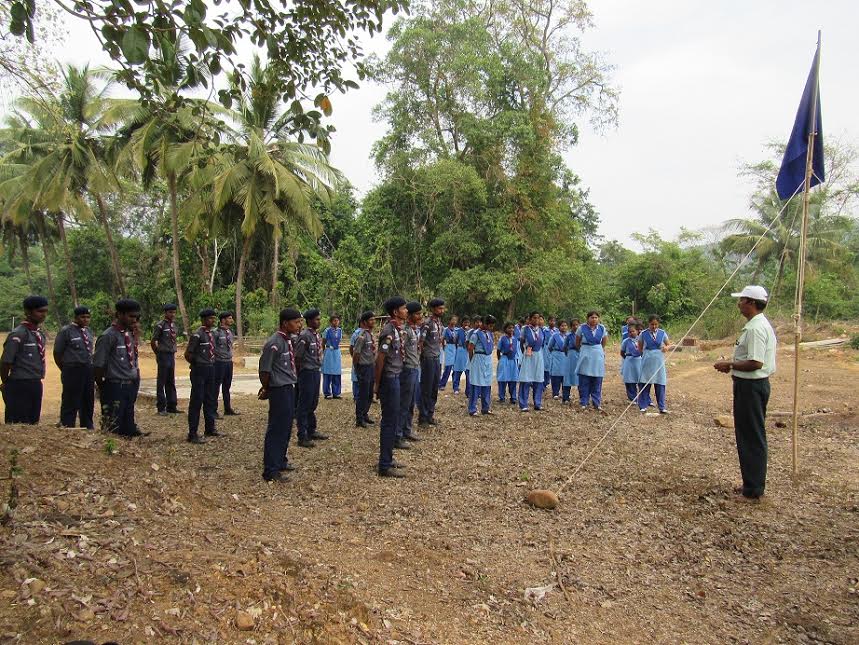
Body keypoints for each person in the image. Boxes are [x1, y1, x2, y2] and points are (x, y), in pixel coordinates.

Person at [713, 286, 777, 501]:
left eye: (742, 300)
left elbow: (756, 362)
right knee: (749, 434)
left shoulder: (755, 329)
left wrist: (730, 364)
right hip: (749, 386)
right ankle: (751, 484)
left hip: (751, 387)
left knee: (751, 436)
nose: (739, 303)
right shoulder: (756, 325)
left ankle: (753, 490)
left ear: (751, 302)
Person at [259, 308, 303, 483]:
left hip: (289, 387)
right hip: (279, 389)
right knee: (276, 429)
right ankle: (271, 470)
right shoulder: (274, 343)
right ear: (285, 323)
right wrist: (267, 388)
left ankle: (280, 461)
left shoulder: (288, 340)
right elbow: (264, 370)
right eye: (296, 322)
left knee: (286, 427)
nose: (299, 325)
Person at [94, 299, 143, 437]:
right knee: (113, 425)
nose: (134, 320)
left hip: (130, 384)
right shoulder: (108, 336)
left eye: (136, 317)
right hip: (115, 385)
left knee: (128, 424)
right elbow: (98, 364)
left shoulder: (129, 334)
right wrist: (103, 386)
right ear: (119, 314)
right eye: (131, 316)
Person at [1, 295, 49, 424]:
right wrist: (6, 384)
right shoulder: (18, 334)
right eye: (39, 311)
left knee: (33, 423)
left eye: (45, 311)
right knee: (18, 424)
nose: (43, 315)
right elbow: (6, 362)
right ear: (28, 312)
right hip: (19, 384)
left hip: (35, 383)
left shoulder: (39, 334)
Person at [375, 297, 408, 478]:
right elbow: (380, 358)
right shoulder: (388, 330)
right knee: (389, 421)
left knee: (393, 419)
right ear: (395, 312)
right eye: (404, 308)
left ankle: (387, 457)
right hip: (389, 379)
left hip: (396, 376)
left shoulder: (396, 329)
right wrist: (377, 383)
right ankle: (384, 465)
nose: (406, 311)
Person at [53, 305, 95, 429]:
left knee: (88, 398)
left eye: (88, 317)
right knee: (71, 399)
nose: (86, 320)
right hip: (72, 369)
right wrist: (65, 368)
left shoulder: (88, 331)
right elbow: (57, 353)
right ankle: (67, 425)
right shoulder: (66, 331)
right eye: (82, 317)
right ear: (75, 317)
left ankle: (87, 425)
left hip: (88, 369)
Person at [184, 309, 219, 443]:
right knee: (196, 400)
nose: (213, 321)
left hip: (211, 368)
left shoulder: (212, 334)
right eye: (210, 318)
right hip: (200, 370)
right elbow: (188, 354)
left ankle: (210, 428)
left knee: (210, 399)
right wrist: (197, 364)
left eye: (213, 318)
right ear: (203, 320)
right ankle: (192, 433)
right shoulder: (197, 335)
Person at [295, 308, 327, 447]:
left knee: (313, 402)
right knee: (304, 404)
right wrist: (298, 375)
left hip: (315, 371)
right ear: (309, 321)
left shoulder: (316, 335)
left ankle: (311, 430)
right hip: (306, 372)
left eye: (319, 319)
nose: (319, 321)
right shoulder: (304, 336)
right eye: (316, 319)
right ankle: (302, 436)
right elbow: (298, 357)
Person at [398, 301, 423, 445]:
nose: (420, 316)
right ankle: (398, 434)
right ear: (410, 315)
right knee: (404, 403)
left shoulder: (413, 330)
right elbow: (400, 351)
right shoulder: (405, 331)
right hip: (407, 369)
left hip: (414, 368)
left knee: (411, 402)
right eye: (417, 314)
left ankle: (407, 430)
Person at [417, 297, 445, 426]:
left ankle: (430, 414)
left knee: (434, 387)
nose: (442, 310)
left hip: (437, 358)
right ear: (433, 309)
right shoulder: (427, 323)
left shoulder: (439, 323)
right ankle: (422, 417)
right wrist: (423, 357)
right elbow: (421, 342)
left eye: (443, 308)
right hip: (428, 359)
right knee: (426, 388)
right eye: (439, 308)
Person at [151, 304, 180, 416]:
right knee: (161, 381)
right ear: (165, 313)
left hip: (171, 354)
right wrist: (158, 353)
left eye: (174, 312)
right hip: (163, 354)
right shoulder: (160, 325)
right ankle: (161, 407)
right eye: (170, 312)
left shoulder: (174, 325)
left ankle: (172, 406)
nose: (172, 314)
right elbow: (153, 341)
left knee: (171, 380)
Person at [638, 315, 671, 414]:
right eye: (652, 324)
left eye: (656, 324)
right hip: (647, 360)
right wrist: (645, 355)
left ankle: (662, 407)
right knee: (645, 383)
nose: (654, 326)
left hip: (659, 361)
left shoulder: (662, 333)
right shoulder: (643, 334)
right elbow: (640, 347)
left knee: (660, 383)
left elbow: (668, 344)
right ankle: (643, 405)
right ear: (649, 324)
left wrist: (666, 348)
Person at [576, 310, 607, 411]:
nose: (594, 319)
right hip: (585, 352)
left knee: (597, 379)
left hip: (597, 354)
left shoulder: (602, 328)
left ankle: (596, 402)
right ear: (587, 318)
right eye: (592, 317)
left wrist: (599, 350)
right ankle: (584, 401)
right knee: (584, 378)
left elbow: (604, 341)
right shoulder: (581, 328)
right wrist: (583, 350)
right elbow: (577, 342)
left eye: (596, 317)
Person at [352, 311, 377, 427]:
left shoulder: (371, 335)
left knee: (369, 393)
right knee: (363, 393)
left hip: (371, 366)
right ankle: (359, 418)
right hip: (364, 367)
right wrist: (357, 368)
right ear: (365, 322)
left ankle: (365, 414)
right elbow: (356, 353)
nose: (373, 321)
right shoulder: (361, 336)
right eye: (371, 320)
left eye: (374, 319)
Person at [517, 312, 545, 412]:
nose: (536, 320)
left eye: (538, 318)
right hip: (528, 355)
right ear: (530, 319)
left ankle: (537, 403)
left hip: (538, 355)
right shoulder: (525, 329)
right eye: (534, 318)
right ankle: (523, 404)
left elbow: (542, 343)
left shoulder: (541, 330)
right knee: (526, 379)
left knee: (538, 379)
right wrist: (524, 352)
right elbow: (521, 343)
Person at [468, 315, 495, 416]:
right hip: (478, 358)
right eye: (490, 325)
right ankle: (472, 409)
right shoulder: (476, 334)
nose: (491, 327)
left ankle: (485, 408)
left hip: (487, 359)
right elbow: (470, 348)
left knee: (487, 383)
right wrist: (472, 360)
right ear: (484, 323)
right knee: (476, 383)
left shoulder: (489, 334)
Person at [213, 311, 239, 416]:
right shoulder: (216, 332)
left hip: (229, 362)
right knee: (215, 387)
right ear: (223, 320)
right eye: (229, 318)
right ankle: (213, 410)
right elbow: (212, 347)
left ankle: (227, 409)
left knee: (227, 386)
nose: (231, 320)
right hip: (219, 362)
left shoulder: (230, 332)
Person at [321, 315, 343, 399]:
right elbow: (323, 342)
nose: (336, 322)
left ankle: (336, 392)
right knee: (328, 371)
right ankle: (327, 393)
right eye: (334, 320)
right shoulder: (327, 330)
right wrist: (324, 352)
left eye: (337, 320)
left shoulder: (340, 330)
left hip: (336, 352)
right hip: (329, 352)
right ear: (331, 322)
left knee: (337, 372)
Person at [620, 322, 643, 404]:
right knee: (630, 380)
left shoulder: (641, 340)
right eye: (629, 332)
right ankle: (632, 398)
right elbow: (622, 352)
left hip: (639, 361)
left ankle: (643, 397)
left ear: (637, 331)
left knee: (640, 379)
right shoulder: (626, 341)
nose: (631, 333)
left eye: (633, 331)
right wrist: (627, 358)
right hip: (629, 362)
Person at [496, 322, 519, 404]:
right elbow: (498, 350)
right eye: (509, 328)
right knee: (503, 378)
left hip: (513, 360)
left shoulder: (515, 339)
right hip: (504, 359)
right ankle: (501, 397)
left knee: (513, 379)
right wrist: (500, 360)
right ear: (505, 329)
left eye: (512, 328)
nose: (511, 329)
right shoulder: (502, 338)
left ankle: (513, 397)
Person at [547, 320, 569, 400]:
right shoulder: (555, 336)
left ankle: (566, 394)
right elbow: (549, 346)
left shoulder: (569, 335)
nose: (564, 327)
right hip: (557, 355)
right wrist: (554, 353)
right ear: (559, 327)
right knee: (556, 375)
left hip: (566, 356)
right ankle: (555, 393)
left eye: (565, 325)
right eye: (562, 326)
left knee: (565, 375)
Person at [562, 318, 580, 404]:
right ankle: (565, 397)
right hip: (571, 356)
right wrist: (569, 354)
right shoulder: (569, 336)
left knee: (581, 376)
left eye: (577, 325)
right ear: (571, 326)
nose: (575, 327)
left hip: (580, 355)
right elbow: (564, 347)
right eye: (573, 325)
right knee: (568, 376)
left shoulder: (582, 335)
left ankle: (583, 398)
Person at [439, 315, 458, 390]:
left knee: (455, 368)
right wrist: (444, 347)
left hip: (455, 348)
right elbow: (442, 339)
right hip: (448, 347)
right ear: (449, 321)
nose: (454, 322)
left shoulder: (456, 330)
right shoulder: (446, 330)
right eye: (453, 320)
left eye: (455, 320)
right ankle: (442, 384)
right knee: (448, 367)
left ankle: (455, 385)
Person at [452, 317, 470, 395]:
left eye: (468, 322)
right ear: (462, 323)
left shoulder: (470, 331)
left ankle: (468, 390)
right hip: (460, 351)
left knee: (468, 371)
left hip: (467, 352)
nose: (466, 324)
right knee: (457, 370)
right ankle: (456, 387)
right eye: (465, 322)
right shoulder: (458, 331)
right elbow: (455, 341)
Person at [349, 324, 362, 400]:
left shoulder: (369, 332)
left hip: (366, 359)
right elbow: (351, 347)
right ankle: (356, 396)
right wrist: (353, 357)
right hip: (358, 357)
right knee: (356, 376)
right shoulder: (356, 333)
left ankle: (360, 396)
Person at [542, 316, 555, 390]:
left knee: (551, 365)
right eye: (551, 321)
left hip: (554, 350)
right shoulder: (545, 330)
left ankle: (547, 381)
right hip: (546, 349)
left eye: (553, 321)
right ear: (548, 321)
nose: (552, 322)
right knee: (545, 365)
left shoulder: (557, 331)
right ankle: (544, 383)